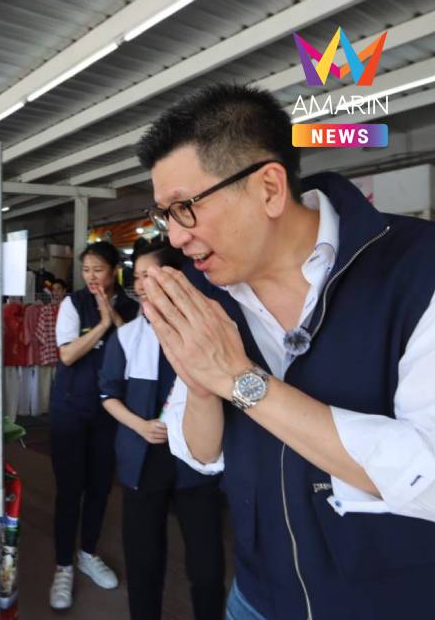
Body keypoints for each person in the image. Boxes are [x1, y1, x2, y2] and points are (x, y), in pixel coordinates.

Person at [136, 83, 435, 620]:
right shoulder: (207, 292)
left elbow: (428, 475)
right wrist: (200, 382)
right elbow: (200, 455)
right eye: (165, 215)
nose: (174, 238)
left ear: (270, 188)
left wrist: (240, 380)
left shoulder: (418, 270)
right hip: (256, 594)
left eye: (184, 208)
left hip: (392, 602)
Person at [98, 239, 224, 620]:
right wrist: (140, 426)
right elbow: (108, 394)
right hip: (144, 457)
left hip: (195, 460)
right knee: (144, 558)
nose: (140, 285)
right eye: (136, 277)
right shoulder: (127, 337)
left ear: (176, 276)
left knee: (206, 565)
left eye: (148, 276)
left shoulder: (206, 329)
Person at [47, 240, 139, 610]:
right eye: (85, 270)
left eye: (97, 269)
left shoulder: (133, 307)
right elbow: (67, 354)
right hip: (70, 407)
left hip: (110, 411)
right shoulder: (73, 303)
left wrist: (112, 316)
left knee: (100, 487)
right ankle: (63, 566)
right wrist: (101, 323)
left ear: (114, 269)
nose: (91, 277)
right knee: (70, 489)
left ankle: (87, 552)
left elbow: (133, 351)